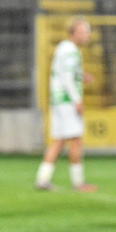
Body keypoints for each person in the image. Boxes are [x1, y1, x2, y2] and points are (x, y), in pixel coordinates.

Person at [35, 18, 97, 193]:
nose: (87, 35)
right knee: (76, 139)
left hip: (57, 100)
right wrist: (77, 100)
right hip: (66, 101)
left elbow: (63, 72)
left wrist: (82, 75)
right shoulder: (71, 50)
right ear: (74, 32)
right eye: (84, 31)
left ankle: (42, 178)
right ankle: (78, 182)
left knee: (58, 140)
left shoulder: (63, 48)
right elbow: (67, 78)